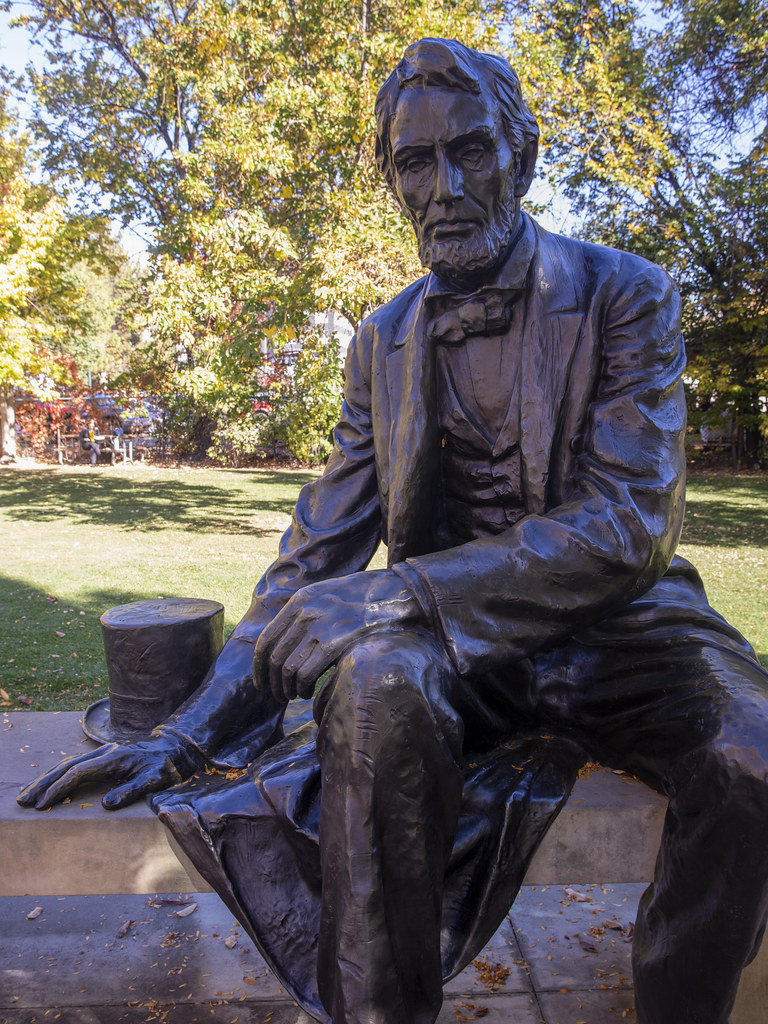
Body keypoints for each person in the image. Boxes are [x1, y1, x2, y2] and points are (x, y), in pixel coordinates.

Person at [19, 39, 768, 1024]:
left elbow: (629, 523)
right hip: (456, 659)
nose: (444, 187)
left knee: (756, 755)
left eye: (472, 151)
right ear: (393, 180)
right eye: (416, 161)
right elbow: (313, 558)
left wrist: (399, 590)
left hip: (624, 632)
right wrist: (188, 734)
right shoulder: (381, 340)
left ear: (523, 157)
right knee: (372, 687)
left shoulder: (627, 294)